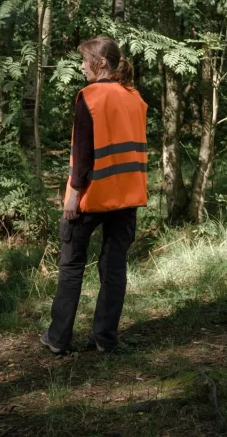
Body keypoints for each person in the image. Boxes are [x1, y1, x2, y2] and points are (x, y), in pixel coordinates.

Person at [42, 37, 148, 355]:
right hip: (127, 195)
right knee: (114, 268)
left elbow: (83, 153)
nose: (80, 66)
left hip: (93, 194)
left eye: (84, 60)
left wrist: (73, 197)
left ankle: (58, 339)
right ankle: (105, 339)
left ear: (100, 63)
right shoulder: (135, 97)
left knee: (72, 264)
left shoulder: (90, 97)